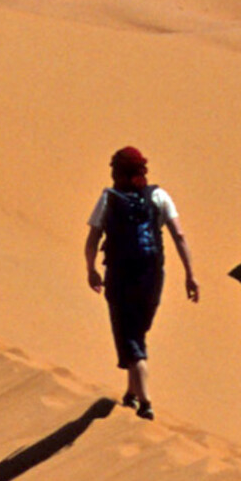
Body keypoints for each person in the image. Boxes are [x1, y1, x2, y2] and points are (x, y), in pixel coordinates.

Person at [85, 145, 198, 421]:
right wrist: (190, 274)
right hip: (152, 276)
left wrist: (91, 269)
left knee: (131, 339)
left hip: (120, 276)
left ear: (120, 173)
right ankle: (131, 393)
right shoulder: (159, 196)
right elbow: (179, 235)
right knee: (137, 333)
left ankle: (145, 402)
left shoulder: (108, 198)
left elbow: (93, 239)